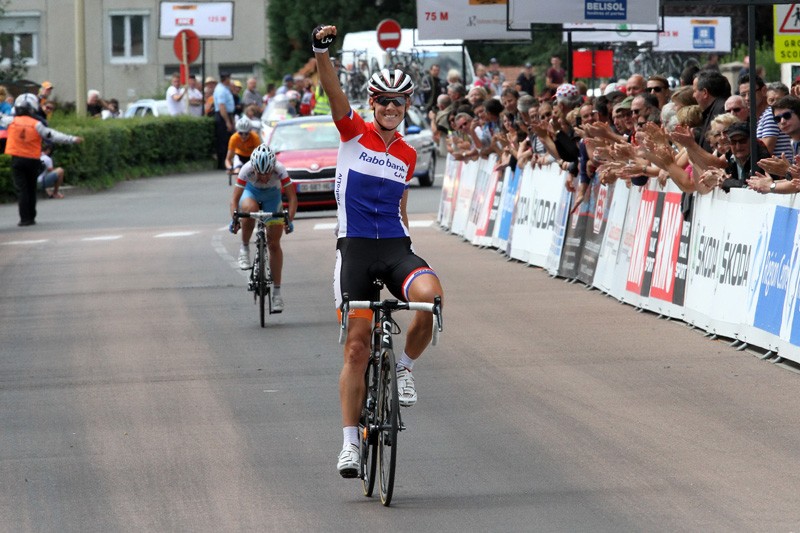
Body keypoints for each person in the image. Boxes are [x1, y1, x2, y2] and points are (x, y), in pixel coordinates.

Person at [312, 24, 445, 479]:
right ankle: (350, 444)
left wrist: (408, 239)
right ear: (373, 105)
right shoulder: (353, 133)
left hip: (393, 246)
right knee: (356, 349)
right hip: (354, 251)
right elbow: (332, 92)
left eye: (398, 102)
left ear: (407, 106)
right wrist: (320, 52)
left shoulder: (407, 154)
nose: (390, 108)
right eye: (383, 101)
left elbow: (402, 206)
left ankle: (404, 368)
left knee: (430, 297)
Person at [229, 144, 297, 311]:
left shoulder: (280, 170)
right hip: (251, 193)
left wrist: (289, 219)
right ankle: (244, 249)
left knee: (274, 244)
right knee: (249, 211)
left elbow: (292, 198)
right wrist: (235, 218)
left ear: (273, 168)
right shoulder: (246, 169)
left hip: (272, 197)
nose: (265, 177)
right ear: (254, 169)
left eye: (268, 173)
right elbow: (234, 200)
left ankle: (277, 294)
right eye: (260, 173)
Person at [2, 94, 82, 226]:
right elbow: (53, 135)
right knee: (31, 188)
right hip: (33, 159)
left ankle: (24, 219)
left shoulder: (10, 121)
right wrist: (72, 139)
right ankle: (31, 217)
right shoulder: (37, 124)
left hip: (17, 160)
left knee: (22, 189)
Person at [213, 73, 236, 170]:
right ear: (225, 79)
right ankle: (222, 163)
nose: (230, 80)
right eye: (229, 79)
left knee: (228, 140)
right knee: (223, 140)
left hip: (228, 115)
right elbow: (222, 106)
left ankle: (228, 161)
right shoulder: (221, 90)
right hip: (223, 116)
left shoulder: (225, 88)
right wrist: (227, 121)